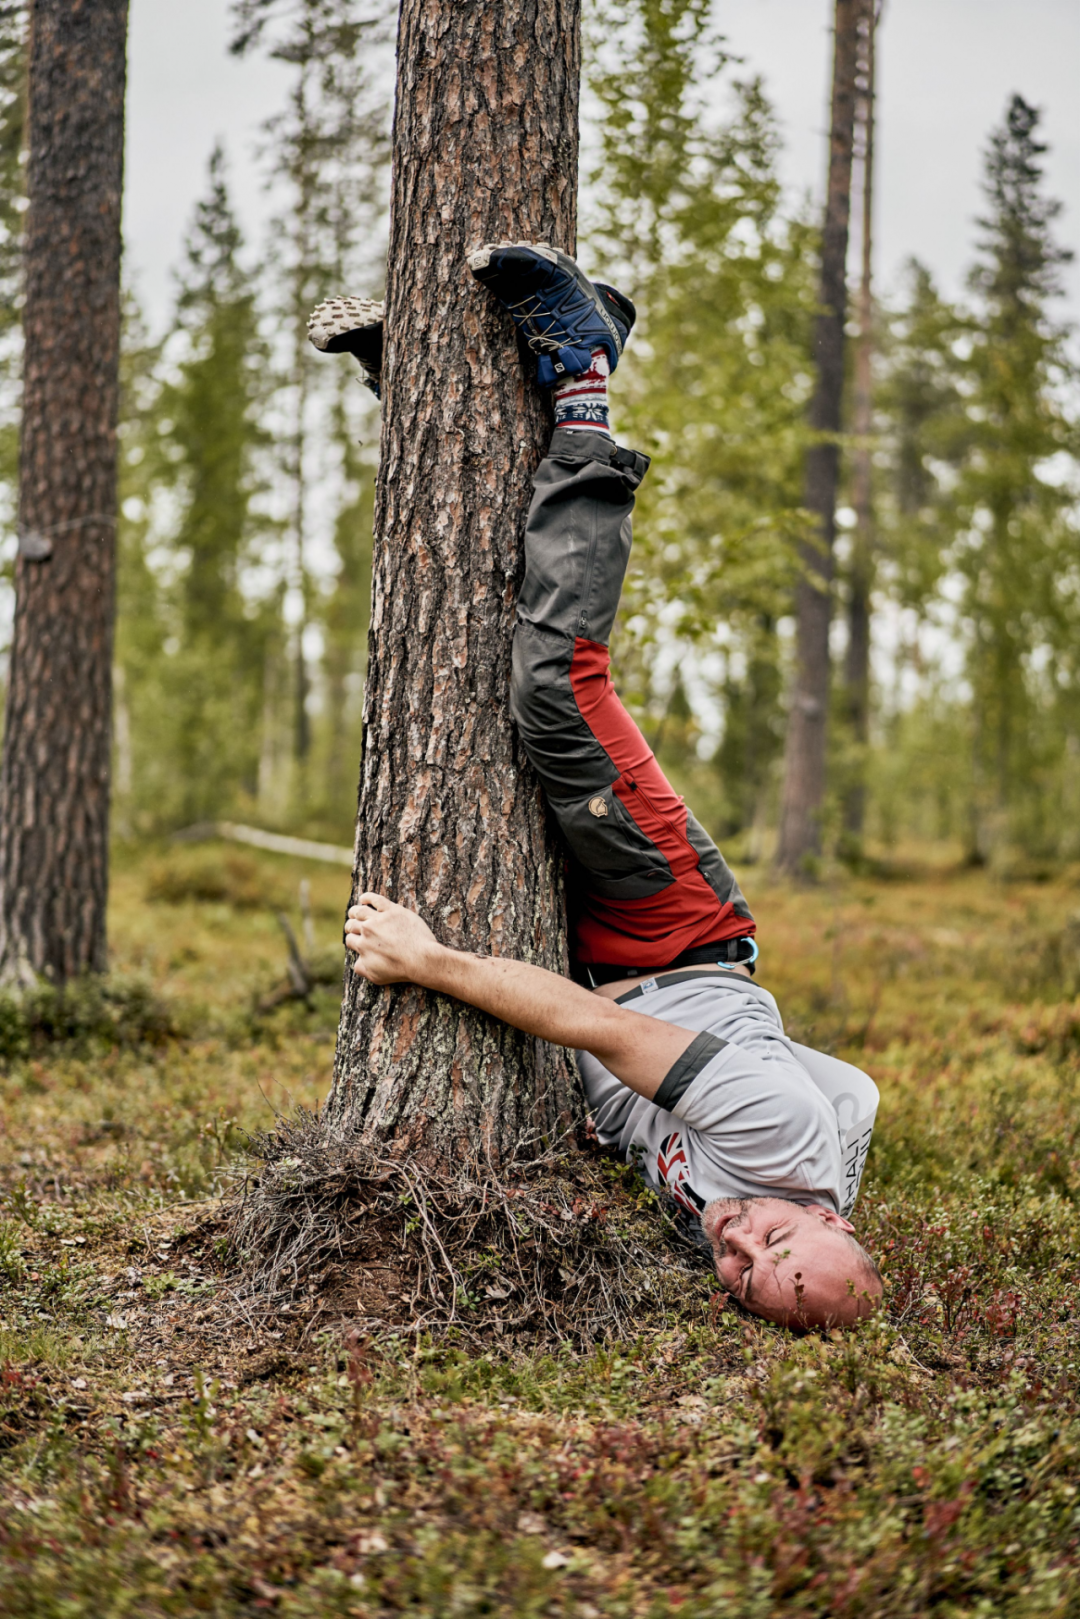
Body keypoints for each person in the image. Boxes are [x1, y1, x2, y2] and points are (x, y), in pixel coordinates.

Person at [309, 244, 882, 1330]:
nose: (740, 1242)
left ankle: (437, 393)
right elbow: (591, 1026)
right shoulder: (775, 1137)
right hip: (666, 925)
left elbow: (860, 1092)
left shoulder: (786, 1189)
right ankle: (582, 374)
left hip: (625, 961)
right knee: (554, 687)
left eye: (746, 1276)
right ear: (836, 1222)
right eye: (778, 1239)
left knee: (464, 689)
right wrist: (430, 961)